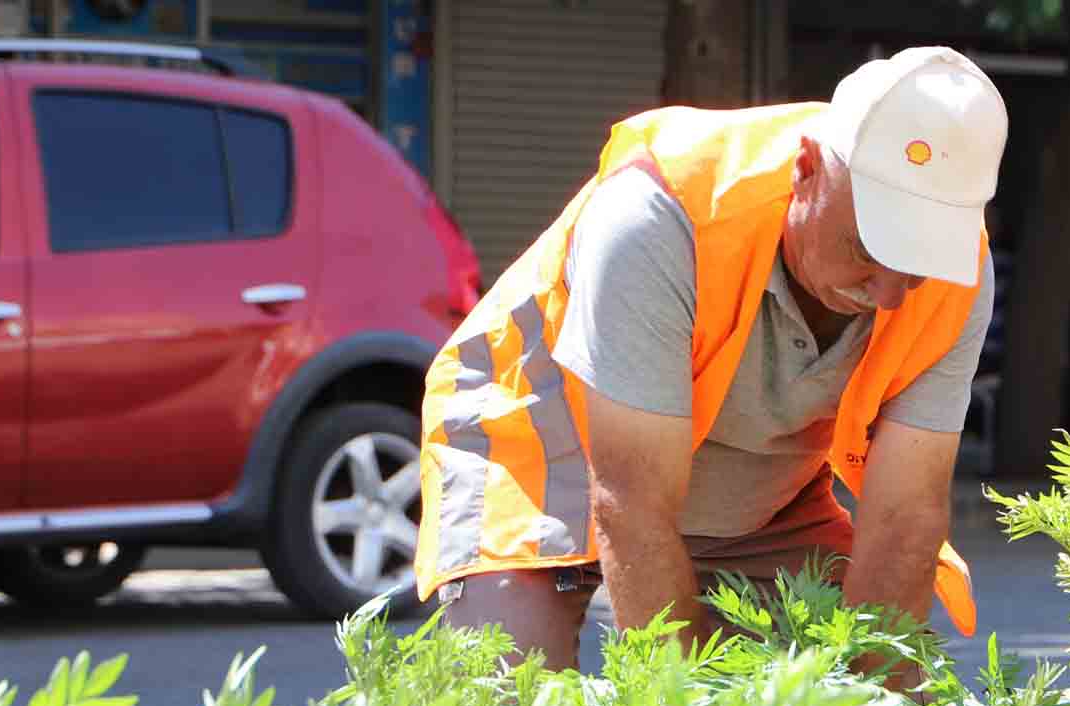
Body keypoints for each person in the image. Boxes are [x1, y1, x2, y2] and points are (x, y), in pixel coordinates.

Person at [414, 46, 1009, 671]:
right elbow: (631, 503)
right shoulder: (658, 216)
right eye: (866, 248)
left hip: (753, 492)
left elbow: (904, 517)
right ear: (806, 169)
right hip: (542, 435)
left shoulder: (959, 275)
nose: (889, 295)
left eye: (915, 267)